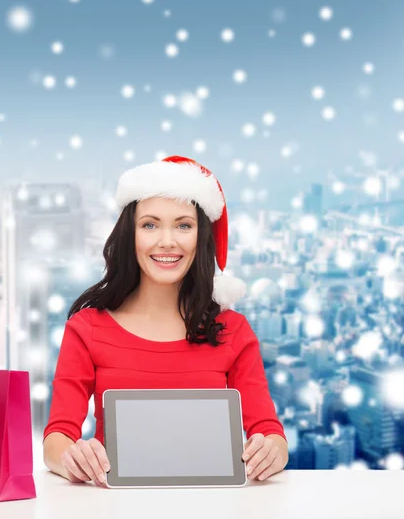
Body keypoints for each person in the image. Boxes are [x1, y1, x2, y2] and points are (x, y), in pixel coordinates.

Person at [43, 155, 288, 487]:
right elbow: (57, 437)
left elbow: (269, 432)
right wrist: (72, 459)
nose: (167, 241)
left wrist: (271, 451)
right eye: (150, 225)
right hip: (115, 505)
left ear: (202, 237)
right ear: (130, 234)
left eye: (183, 225)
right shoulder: (86, 329)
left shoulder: (234, 331)